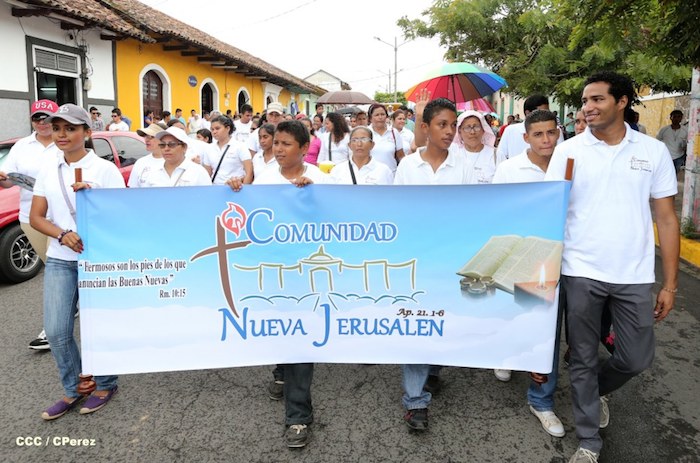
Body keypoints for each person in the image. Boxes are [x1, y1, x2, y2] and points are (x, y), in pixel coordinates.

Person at [545, 71, 679, 463]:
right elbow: (550, 211)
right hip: (580, 270)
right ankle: (589, 441)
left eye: (597, 99)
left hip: (633, 274)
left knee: (636, 358)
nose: (587, 107)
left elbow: (666, 218)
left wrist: (670, 284)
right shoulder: (569, 152)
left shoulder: (652, 151)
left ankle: (595, 390)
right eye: (585, 101)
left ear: (621, 102)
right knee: (583, 357)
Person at [227, 120, 330, 449]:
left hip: (306, 275)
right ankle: (281, 371)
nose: (279, 149)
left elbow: (338, 220)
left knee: (301, 338)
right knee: (280, 329)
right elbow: (246, 215)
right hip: (273, 272)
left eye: (287, 144)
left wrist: (314, 197)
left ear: (304, 148)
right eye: (276, 143)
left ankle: (298, 416)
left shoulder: (321, 180)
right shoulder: (264, 179)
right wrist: (235, 189)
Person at [29, 104, 124, 420]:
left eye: (70, 128)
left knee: (99, 328)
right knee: (56, 330)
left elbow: (122, 216)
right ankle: (74, 388)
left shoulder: (104, 169)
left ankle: (105, 384)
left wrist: (93, 197)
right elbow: (37, 217)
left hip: (97, 260)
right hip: (60, 259)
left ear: (86, 132)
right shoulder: (48, 169)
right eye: (57, 128)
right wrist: (62, 234)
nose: (62, 134)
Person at [394, 98, 470, 432]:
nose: (450, 131)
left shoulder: (463, 165)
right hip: (416, 258)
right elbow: (396, 211)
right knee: (416, 325)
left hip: (450, 258)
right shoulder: (408, 167)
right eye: (442, 124)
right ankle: (415, 401)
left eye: (453, 125)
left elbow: (473, 210)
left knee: (443, 319)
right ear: (425, 127)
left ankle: (433, 369)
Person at [490, 110, 566, 438]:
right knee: (524, 319)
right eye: (538, 134)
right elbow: (498, 210)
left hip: (569, 259)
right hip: (527, 257)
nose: (546, 140)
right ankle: (508, 354)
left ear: (558, 133)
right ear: (526, 138)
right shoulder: (509, 169)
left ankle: (541, 401)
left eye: (551, 133)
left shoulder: (572, 163)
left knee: (550, 331)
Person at [0, 99, 60, 350]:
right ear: (31, 120)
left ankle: (54, 328)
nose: (42, 123)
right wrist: (4, 179)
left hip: (65, 217)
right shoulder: (21, 146)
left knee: (60, 272)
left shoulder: (65, 140)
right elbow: (8, 181)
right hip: (31, 218)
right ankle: (69, 308)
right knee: (55, 270)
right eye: (37, 118)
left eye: (47, 118)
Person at [496, 95, 564, 161]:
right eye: (540, 113)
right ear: (528, 113)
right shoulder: (511, 131)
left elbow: (560, 155)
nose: (546, 140)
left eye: (547, 112)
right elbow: (501, 156)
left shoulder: (555, 130)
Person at [138, 127, 212, 187]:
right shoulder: (153, 172)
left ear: (184, 147)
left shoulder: (198, 172)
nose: (166, 149)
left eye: (172, 144)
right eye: (162, 145)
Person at [203, 116, 252, 185]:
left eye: (217, 128)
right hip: (215, 188)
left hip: (235, 188)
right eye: (212, 129)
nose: (214, 132)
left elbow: (249, 173)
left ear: (228, 128)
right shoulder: (209, 148)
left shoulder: (240, 146)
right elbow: (207, 174)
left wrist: (244, 188)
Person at [452, 110, 497, 184]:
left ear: (483, 130)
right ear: (459, 131)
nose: (472, 132)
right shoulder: (453, 154)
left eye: (476, 127)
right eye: (467, 128)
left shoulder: (496, 155)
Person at [368, 103, 404, 173]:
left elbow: (401, 156)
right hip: (370, 175)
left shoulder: (394, 132)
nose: (380, 117)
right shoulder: (366, 133)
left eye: (382, 114)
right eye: (377, 115)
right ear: (370, 118)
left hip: (391, 174)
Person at [128, 124, 165, 188]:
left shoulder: (173, 162)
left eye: (151, 137)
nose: (146, 140)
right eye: (145, 136)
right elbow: (133, 190)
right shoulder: (140, 162)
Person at [656, 109, 688, 173]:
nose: (676, 119)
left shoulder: (686, 130)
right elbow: (657, 142)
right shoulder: (664, 130)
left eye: (679, 117)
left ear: (681, 118)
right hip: (666, 156)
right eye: (674, 117)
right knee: (665, 173)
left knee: (675, 174)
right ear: (671, 117)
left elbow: (688, 142)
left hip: (679, 157)